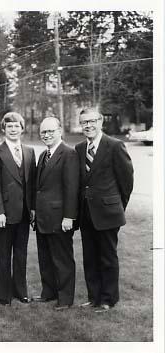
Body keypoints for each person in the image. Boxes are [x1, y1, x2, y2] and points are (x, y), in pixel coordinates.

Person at [75, 107, 134, 313]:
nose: (88, 126)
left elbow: (126, 181)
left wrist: (117, 206)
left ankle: (108, 299)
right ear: (81, 125)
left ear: (100, 122)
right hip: (86, 213)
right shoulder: (80, 148)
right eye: (84, 122)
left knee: (107, 257)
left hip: (108, 213)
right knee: (90, 257)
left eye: (92, 121)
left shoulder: (115, 145)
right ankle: (94, 297)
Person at [0, 112, 36, 306]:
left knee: (21, 254)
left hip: (24, 212)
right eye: (10, 126)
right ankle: (4, 293)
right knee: (4, 254)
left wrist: (32, 209)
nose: (13, 129)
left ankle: (20, 291)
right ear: (4, 129)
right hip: (5, 214)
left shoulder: (30, 151)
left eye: (17, 126)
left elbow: (31, 184)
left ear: (22, 129)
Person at [33, 117, 79, 311]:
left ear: (60, 130)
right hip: (43, 217)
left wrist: (69, 216)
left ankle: (65, 298)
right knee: (45, 258)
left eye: (51, 131)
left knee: (62, 259)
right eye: (43, 132)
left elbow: (72, 188)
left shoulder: (69, 154)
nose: (47, 135)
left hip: (60, 219)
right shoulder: (44, 155)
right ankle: (49, 292)